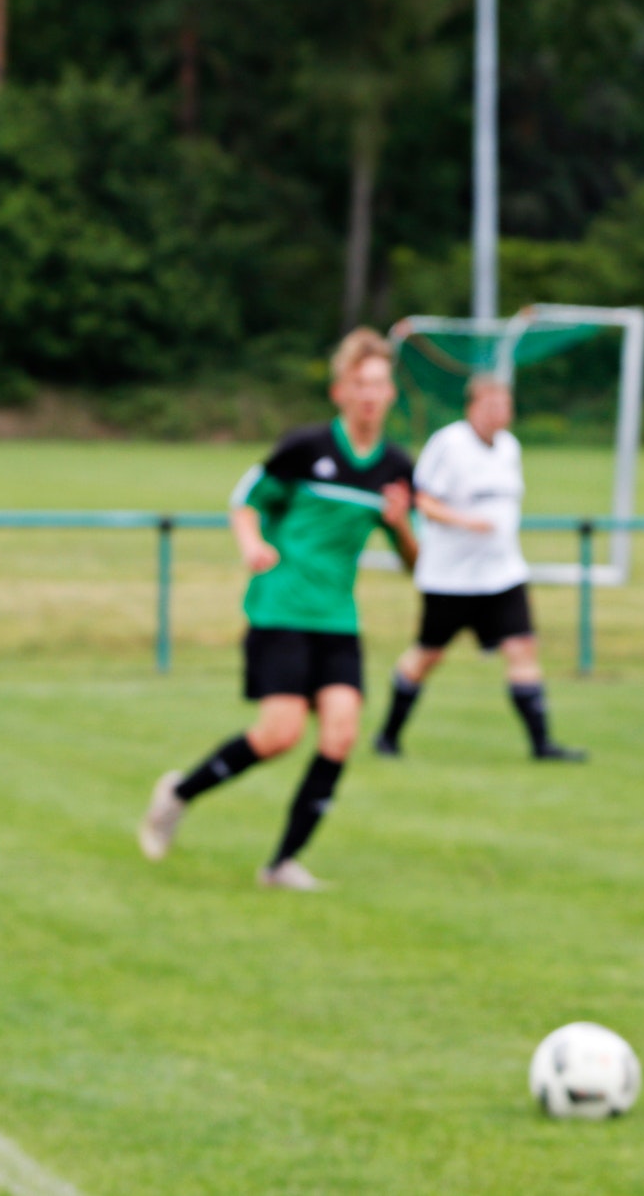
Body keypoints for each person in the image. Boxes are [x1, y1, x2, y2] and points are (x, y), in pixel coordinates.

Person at [137, 328, 418, 890]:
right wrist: (252, 545)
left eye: (380, 385)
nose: (370, 395)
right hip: (281, 608)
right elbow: (246, 502)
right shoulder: (305, 447)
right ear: (340, 391)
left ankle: (281, 864)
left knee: (340, 736)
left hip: (338, 618)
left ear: (391, 395)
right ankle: (177, 796)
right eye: (360, 384)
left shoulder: (395, 467)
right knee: (279, 735)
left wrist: (401, 524)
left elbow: (415, 564)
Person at [372, 375, 585, 763]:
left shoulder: (509, 448)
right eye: (491, 406)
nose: (499, 413)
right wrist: (464, 521)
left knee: (523, 648)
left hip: (502, 574)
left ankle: (542, 744)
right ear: (473, 407)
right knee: (427, 656)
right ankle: (388, 736)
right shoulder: (449, 445)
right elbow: (423, 500)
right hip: (451, 578)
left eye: (505, 406)